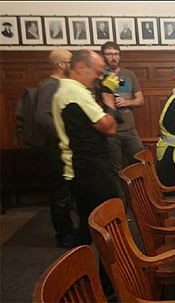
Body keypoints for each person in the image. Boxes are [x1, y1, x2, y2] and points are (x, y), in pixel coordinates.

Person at [52, 49, 120, 299]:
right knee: (109, 223)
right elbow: (109, 126)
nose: (98, 77)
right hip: (90, 168)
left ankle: (76, 280)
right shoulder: (74, 92)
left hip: (81, 169)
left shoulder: (68, 90)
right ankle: (107, 286)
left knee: (86, 230)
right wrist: (109, 97)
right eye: (97, 71)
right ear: (80, 67)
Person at [35, 49, 74, 248]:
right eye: (70, 60)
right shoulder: (50, 85)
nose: (73, 63)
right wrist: (64, 135)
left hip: (64, 146)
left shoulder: (63, 84)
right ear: (61, 64)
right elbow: (42, 117)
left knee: (67, 191)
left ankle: (69, 229)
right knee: (60, 193)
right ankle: (64, 234)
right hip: (56, 147)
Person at [101, 41, 145, 204]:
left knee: (140, 164)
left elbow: (140, 100)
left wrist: (127, 102)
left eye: (116, 54)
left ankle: (142, 202)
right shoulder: (99, 76)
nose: (113, 57)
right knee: (114, 170)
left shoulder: (129, 74)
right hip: (110, 131)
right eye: (109, 54)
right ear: (103, 56)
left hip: (130, 129)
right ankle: (119, 206)